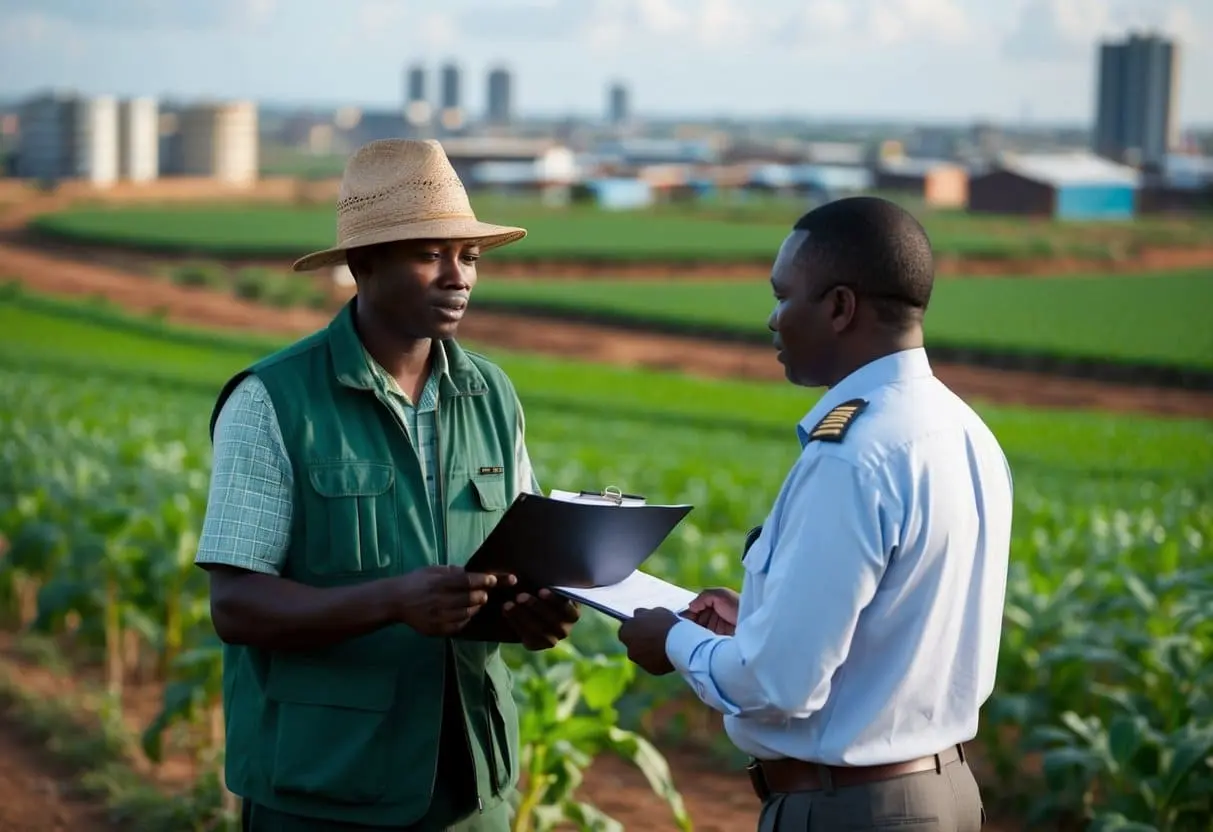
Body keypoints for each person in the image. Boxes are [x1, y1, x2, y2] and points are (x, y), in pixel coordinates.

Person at [194, 138, 581, 832]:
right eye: (429, 254)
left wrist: (531, 613)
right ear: (363, 264)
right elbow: (237, 606)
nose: (457, 276)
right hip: (324, 785)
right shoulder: (273, 400)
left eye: (467, 257)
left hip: (470, 782)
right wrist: (391, 601)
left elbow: (517, 555)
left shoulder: (490, 393)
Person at [617, 196, 1012, 831]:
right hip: (945, 792)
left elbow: (780, 685)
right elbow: (893, 629)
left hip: (853, 808)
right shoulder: (965, 432)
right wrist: (761, 625)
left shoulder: (854, 454)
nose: (773, 320)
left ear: (838, 307)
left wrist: (672, 638)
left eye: (783, 296)